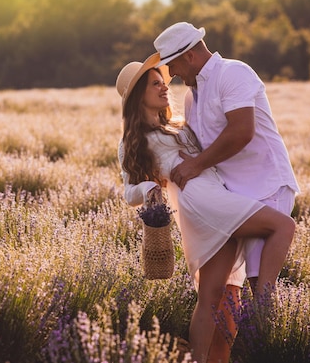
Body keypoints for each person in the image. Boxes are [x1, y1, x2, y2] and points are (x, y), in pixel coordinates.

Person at [115, 52, 295, 363]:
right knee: (283, 226)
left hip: (212, 197)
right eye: (154, 84)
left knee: (218, 296)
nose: (164, 87)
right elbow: (129, 191)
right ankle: (265, 307)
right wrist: (151, 187)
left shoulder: (176, 126)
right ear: (137, 98)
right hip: (202, 202)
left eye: (163, 82)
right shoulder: (134, 140)